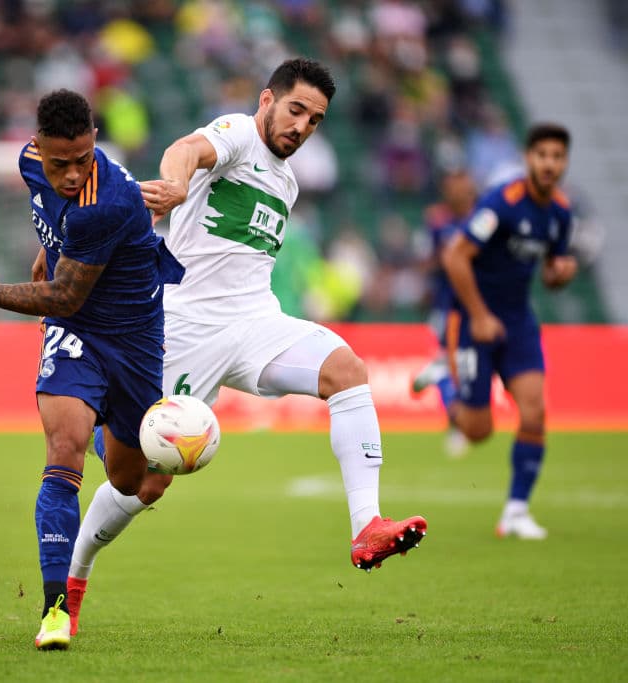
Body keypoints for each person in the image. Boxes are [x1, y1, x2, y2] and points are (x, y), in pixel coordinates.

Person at [66, 58, 428, 636]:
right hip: (185, 329)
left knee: (347, 370)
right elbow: (187, 149)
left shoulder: (287, 181)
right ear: (266, 100)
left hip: (255, 321)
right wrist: (180, 183)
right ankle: (73, 578)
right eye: (295, 110)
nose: (303, 126)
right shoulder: (236, 135)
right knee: (141, 482)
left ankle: (367, 527)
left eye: (315, 119)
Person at [0, 89, 184, 651]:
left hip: (135, 340)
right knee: (61, 447)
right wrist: (50, 248)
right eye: (58, 162)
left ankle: (104, 429)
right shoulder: (27, 164)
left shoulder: (105, 204)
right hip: (77, 334)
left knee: (133, 480)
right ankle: (55, 609)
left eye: (83, 160)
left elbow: (62, 295)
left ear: (95, 144)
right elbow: (64, 287)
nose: (70, 174)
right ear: (37, 147)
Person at [419, 123, 577, 540]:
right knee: (478, 431)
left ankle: (516, 512)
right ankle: (443, 378)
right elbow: (455, 258)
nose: (549, 163)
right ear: (528, 158)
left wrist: (561, 273)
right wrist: (479, 314)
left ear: (564, 162)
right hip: (473, 322)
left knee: (535, 412)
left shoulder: (560, 213)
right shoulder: (501, 203)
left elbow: (551, 272)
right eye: (542, 154)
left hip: (518, 322)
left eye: (557, 156)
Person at [411, 167, 477, 457]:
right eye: (452, 184)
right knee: (456, 364)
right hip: (446, 305)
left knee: (463, 365)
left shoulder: (482, 220)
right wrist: (446, 260)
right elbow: (424, 261)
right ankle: (457, 424)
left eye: (461, 183)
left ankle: (437, 373)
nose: (457, 190)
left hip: (476, 303)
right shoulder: (437, 221)